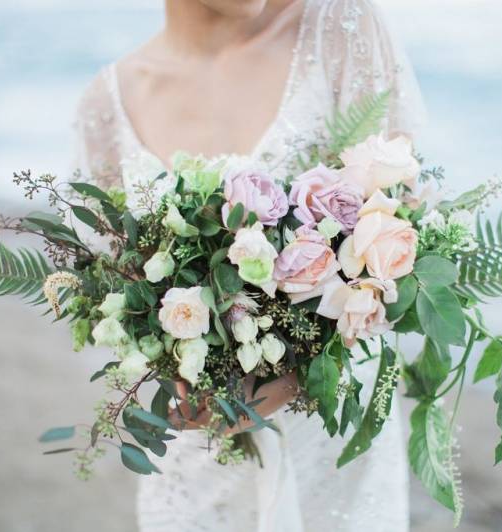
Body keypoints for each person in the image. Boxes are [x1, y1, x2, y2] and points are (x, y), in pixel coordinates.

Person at [73, 1, 425, 530]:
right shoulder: (108, 102)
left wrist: (284, 386)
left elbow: (407, 234)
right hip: (202, 449)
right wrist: (179, 364)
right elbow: (109, 289)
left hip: (331, 440)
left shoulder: (341, 24)